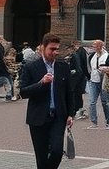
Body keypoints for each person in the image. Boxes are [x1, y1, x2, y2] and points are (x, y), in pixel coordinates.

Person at [19, 32, 76, 169]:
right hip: (38, 118)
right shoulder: (30, 67)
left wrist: (71, 114)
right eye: (52, 49)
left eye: (57, 49)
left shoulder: (63, 67)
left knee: (57, 152)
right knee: (42, 157)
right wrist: (41, 83)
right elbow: (23, 92)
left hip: (58, 117)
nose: (55, 52)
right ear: (42, 47)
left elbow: (69, 92)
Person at [86, 39, 109, 129]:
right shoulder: (92, 56)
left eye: (95, 46)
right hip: (94, 80)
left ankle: (108, 122)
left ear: (100, 46)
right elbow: (90, 67)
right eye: (93, 45)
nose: (93, 47)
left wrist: (105, 69)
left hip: (104, 81)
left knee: (104, 102)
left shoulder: (107, 56)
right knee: (92, 102)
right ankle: (94, 123)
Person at [70, 40, 89, 119]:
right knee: (78, 94)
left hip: (78, 77)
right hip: (80, 76)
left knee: (76, 93)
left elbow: (80, 66)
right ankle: (79, 109)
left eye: (73, 46)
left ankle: (77, 110)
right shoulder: (81, 52)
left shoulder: (79, 53)